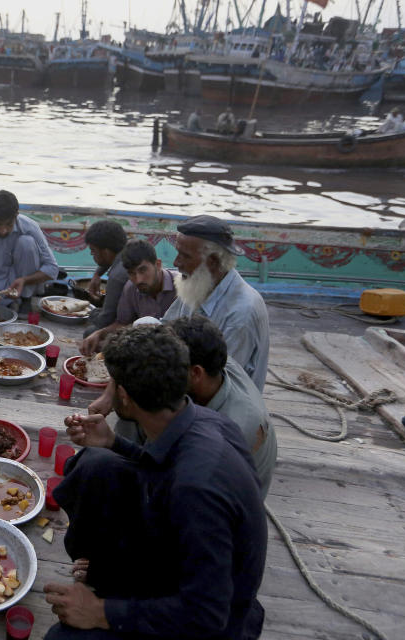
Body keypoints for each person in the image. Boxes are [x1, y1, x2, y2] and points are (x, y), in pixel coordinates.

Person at [45, 325, 267, 640]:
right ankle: (102, 571)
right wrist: (113, 442)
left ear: (123, 395)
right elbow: (161, 467)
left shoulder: (196, 490)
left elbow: (207, 614)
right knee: (97, 463)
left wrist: (102, 613)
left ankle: (107, 592)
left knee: (62, 637)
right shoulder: (203, 420)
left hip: (211, 621)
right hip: (176, 554)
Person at [168, 315, 277, 498]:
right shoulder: (217, 365)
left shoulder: (231, 430)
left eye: (169, 367)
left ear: (195, 373)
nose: (165, 372)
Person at [163, 215, 269, 391]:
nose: (176, 263)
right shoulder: (196, 284)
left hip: (222, 402)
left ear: (212, 261)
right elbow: (165, 327)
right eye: (178, 253)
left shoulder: (242, 311)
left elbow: (219, 382)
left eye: (185, 256)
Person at [80, 239, 177, 356]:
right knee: (94, 338)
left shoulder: (181, 287)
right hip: (143, 342)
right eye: (132, 273)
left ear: (158, 265)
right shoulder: (131, 287)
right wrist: (99, 334)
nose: (139, 279)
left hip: (172, 349)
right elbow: (122, 323)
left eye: (143, 270)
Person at [81, 220, 129, 338]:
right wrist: (97, 274)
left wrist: (90, 313)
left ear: (106, 252)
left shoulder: (117, 276)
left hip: (131, 324)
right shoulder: (130, 247)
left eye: (93, 250)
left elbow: (105, 321)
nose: (92, 254)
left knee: (90, 332)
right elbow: (107, 259)